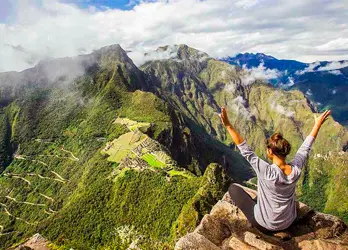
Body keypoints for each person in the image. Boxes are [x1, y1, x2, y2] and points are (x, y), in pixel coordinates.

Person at [219, 107, 331, 232]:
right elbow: (305, 148)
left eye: (267, 148)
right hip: (288, 221)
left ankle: (270, 233)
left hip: (265, 224)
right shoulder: (296, 170)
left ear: (270, 151)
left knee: (233, 189)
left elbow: (245, 149)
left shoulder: (266, 171)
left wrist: (228, 125)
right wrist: (317, 125)